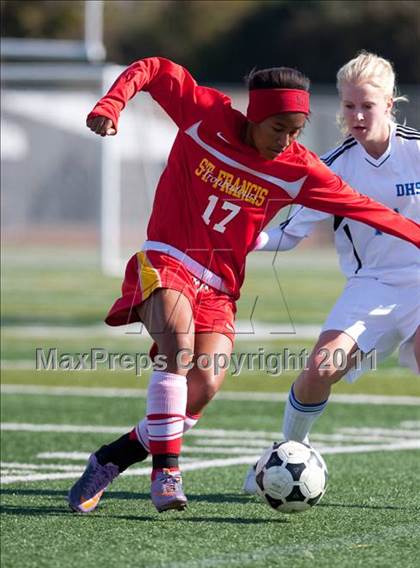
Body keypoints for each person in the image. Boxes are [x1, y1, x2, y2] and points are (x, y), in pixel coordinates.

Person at [67, 56, 420, 514]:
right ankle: (167, 472)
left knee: (206, 385)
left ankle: (112, 458)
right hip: (167, 259)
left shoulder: (300, 166)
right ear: (254, 116)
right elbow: (154, 68)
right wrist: (113, 104)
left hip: (219, 285)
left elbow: (368, 210)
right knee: (179, 344)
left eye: (297, 131)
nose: (287, 141)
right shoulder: (205, 114)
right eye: (279, 128)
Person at [243, 51, 420, 494]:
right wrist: (248, 241)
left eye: (367, 106)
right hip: (371, 287)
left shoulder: (417, 150)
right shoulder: (331, 166)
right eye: (348, 106)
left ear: (391, 103)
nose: (357, 116)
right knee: (322, 367)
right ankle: (286, 453)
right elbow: (288, 234)